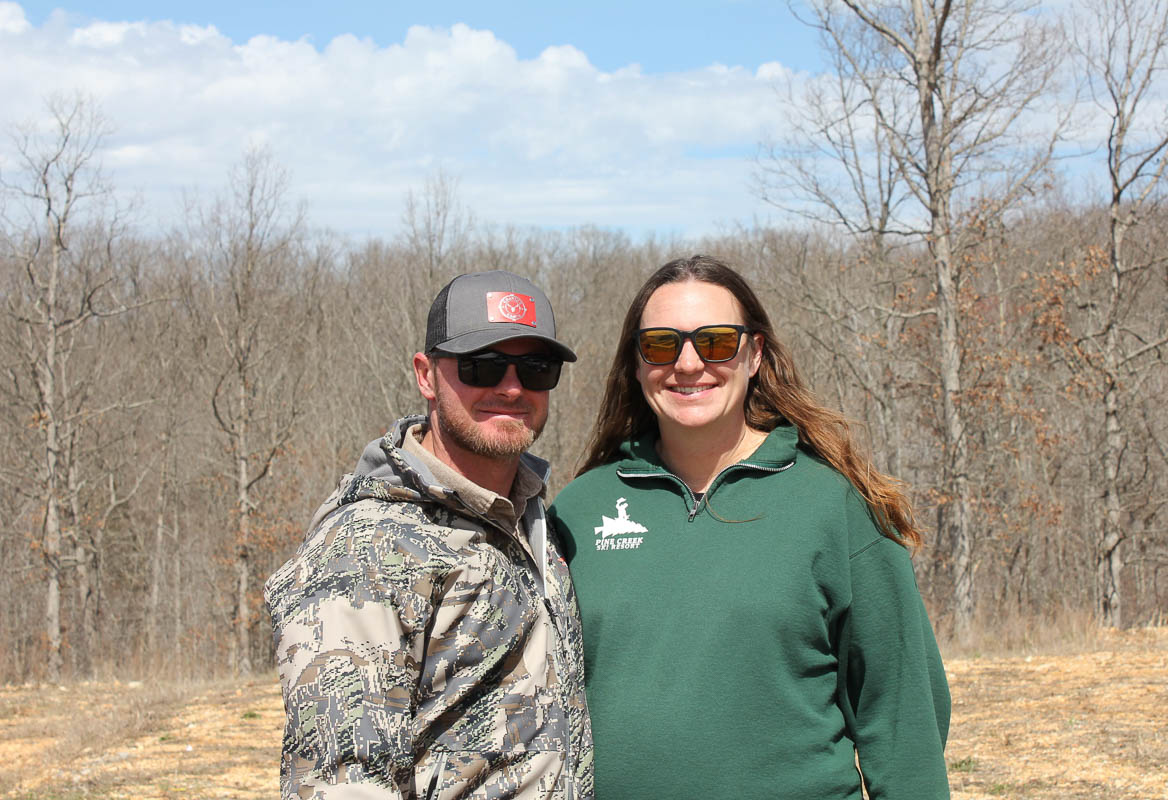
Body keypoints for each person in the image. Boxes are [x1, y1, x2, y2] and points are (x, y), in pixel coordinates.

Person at [548, 255, 950, 799]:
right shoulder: (578, 510)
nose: (688, 364)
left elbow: (902, 713)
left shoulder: (832, 503)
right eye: (661, 345)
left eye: (715, 342)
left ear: (754, 353)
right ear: (637, 364)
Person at [265, 270, 594, 800]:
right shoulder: (366, 547)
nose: (512, 387)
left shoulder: (533, 520)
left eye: (537, 369)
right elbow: (342, 783)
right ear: (426, 375)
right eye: (482, 364)